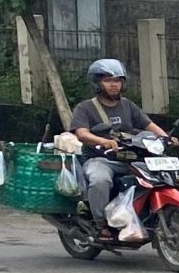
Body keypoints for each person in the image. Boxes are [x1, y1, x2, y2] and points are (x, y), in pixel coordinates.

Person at [69, 58, 166, 243]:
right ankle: (100, 224)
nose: (114, 85)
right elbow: (81, 133)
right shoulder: (85, 108)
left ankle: (148, 216)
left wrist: (166, 137)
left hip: (130, 158)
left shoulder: (127, 105)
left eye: (117, 80)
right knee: (100, 180)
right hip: (100, 159)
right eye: (108, 80)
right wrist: (103, 141)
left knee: (161, 176)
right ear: (97, 83)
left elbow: (148, 124)